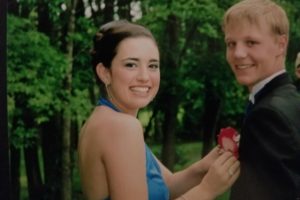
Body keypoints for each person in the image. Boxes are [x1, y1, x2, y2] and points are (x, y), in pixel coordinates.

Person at [78, 20, 240, 200]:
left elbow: (167, 186)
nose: (145, 77)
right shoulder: (123, 127)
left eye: (153, 65)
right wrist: (206, 191)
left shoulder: (102, 119)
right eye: (131, 64)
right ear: (105, 72)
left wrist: (205, 167)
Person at [222, 0, 300, 199]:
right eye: (231, 43)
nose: (238, 54)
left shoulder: (268, 115)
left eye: (251, 42)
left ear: (280, 45)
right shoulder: (289, 99)